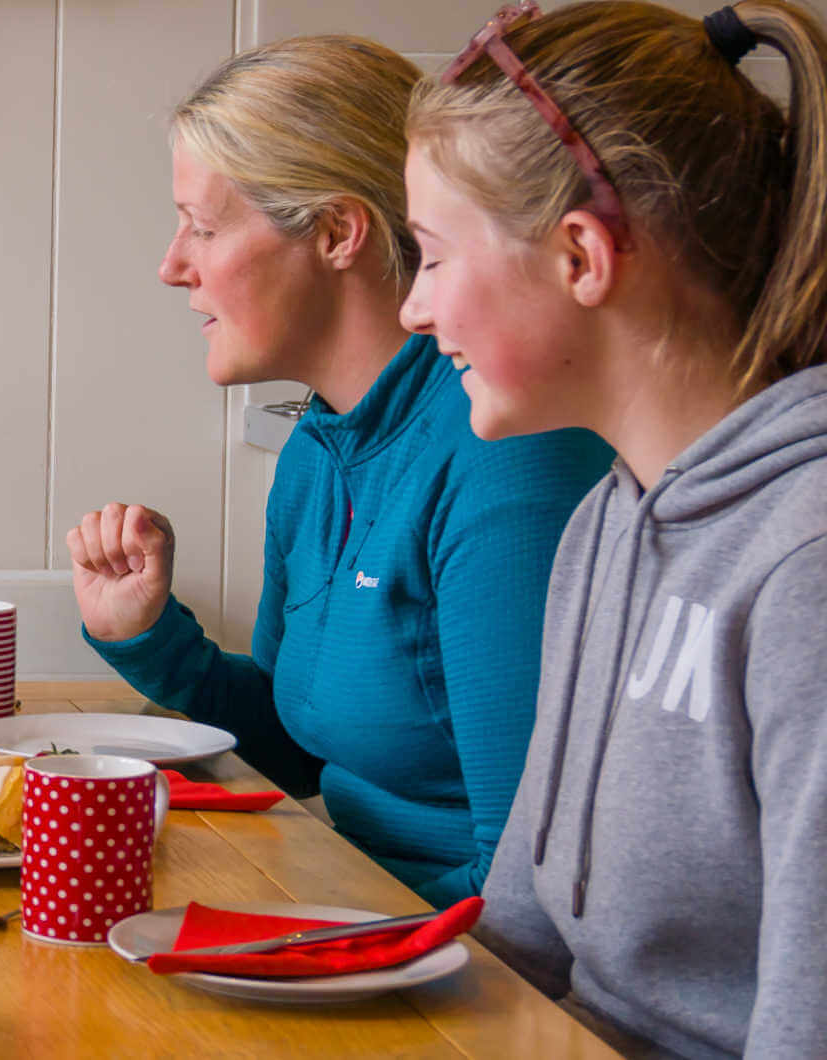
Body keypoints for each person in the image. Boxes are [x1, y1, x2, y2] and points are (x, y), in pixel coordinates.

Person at [64, 36, 611, 907]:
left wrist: (317, 952)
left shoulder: (509, 462)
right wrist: (151, 637)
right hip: (347, 913)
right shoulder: (318, 451)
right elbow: (297, 745)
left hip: (456, 980)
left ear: (334, 232)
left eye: (203, 227)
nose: (172, 266)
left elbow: (530, 887)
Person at [407, 2, 827, 1053]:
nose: (414, 309)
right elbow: (518, 938)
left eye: (432, 257)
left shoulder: (805, 565)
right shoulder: (602, 521)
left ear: (581, 257)